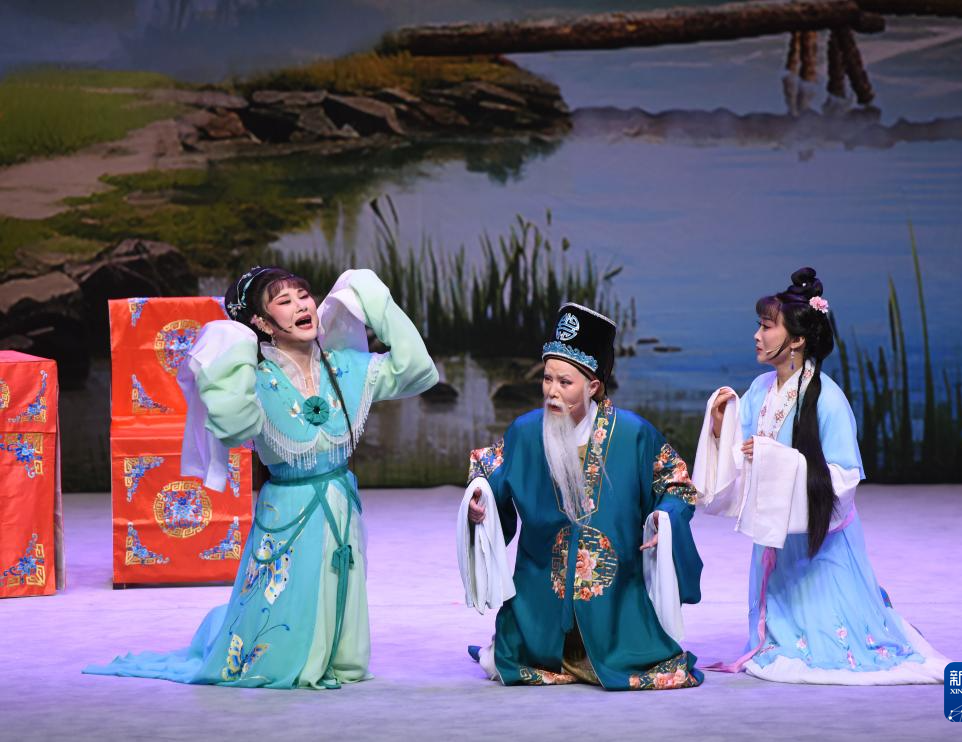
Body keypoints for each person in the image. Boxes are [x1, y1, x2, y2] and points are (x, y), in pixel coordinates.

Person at [85, 266, 438, 688]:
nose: (302, 306)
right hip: (288, 506)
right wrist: (233, 350)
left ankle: (339, 657)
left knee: (339, 582)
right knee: (283, 601)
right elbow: (234, 426)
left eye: (303, 295)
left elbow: (417, 369)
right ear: (263, 322)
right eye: (284, 301)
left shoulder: (345, 367)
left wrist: (372, 297)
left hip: (340, 498)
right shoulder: (255, 378)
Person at [691, 267, 948, 684]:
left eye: (766, 327)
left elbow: (843, 479)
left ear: (796, 340)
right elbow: (741, 460)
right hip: (777, 538)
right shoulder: (759, 391)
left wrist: (777, 460)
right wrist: (721, 428)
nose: (757, 335)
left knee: (833, 647)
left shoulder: (828, 398)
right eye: (759, 325)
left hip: (819, 542)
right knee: (780, 646)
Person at [457, 302, 704, 690]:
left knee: (643, 663)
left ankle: (603, 648)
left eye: (565, 382)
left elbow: (677, 485)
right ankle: (545, 648)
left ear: (593, 386)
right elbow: (487, 472)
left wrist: (665, 517)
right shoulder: (526, 432)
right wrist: (479, 500)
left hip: (615, 601)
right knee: (514, 658)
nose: (552, 392)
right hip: (540, 591)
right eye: (547, 379)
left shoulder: (633, 435)